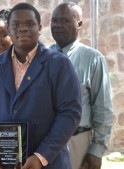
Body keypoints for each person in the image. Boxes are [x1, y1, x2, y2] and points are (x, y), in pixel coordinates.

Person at [0, 3, 82, 169]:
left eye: (30, 24)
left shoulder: (59, 65)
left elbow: (70, 113)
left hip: (47, 163)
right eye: (16, 25)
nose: (22, 29)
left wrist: (41, 156)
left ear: (40, 28)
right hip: (1, 164)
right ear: (8, 29)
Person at [50, 2, 113, 169]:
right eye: (54, 20)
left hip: (78, 142)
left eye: (64, 21)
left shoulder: (93, 59)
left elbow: (103, 108)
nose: (57, 25)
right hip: (47, 142)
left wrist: (96, 150)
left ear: (79, 24)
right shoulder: (43, 58)